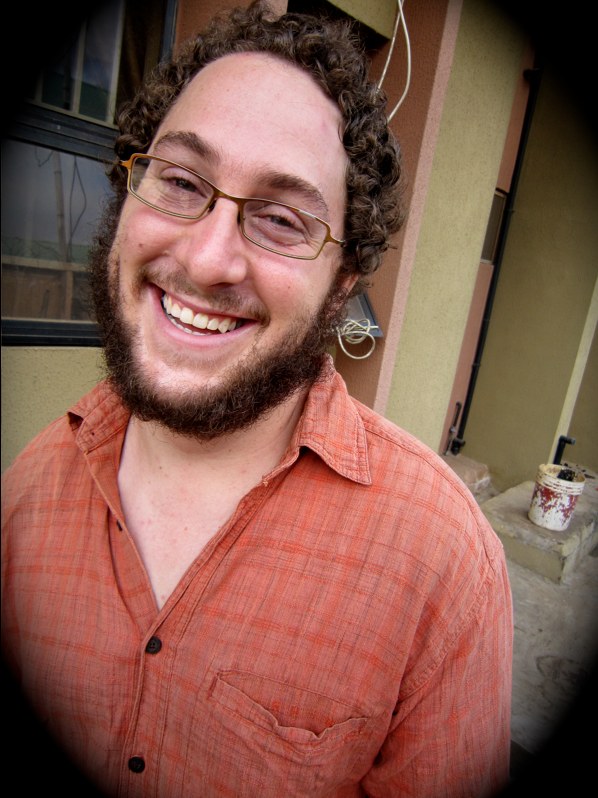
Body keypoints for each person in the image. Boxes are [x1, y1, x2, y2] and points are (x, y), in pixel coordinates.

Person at [1, 2, 513, 796]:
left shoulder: (444, 567)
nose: (208, 259)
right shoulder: (30, 485)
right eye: (180, 181)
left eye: (280, 219)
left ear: (341, 283)